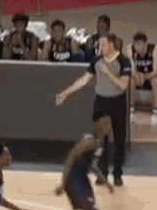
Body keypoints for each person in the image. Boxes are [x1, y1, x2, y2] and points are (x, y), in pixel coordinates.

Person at [55, 35, 132, 186]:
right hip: (101, 102)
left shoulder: (123, 61)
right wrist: (66, 92)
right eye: (99, 45)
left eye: (104, 44)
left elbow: (123, 85)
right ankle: (103, 173)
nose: (100, 47)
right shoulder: (97, 60)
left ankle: (117, 174)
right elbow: (84, 80)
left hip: (117, 102)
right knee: (101, 140)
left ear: (111, 44)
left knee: (119, 139)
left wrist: (108, 72)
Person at [55, 115, 113, 210]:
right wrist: (63, 183)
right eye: (106, 124)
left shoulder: (98, 142)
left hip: (83, 180)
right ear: (98, 124)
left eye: (110, 124)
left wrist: (105, 181)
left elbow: (92, 164)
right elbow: (71, 157)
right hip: (74, 180)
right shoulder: (89, 141)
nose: (109, 127)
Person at [128, 32, 157, 126]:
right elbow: (131, 67)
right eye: (135, 44)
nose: (137, 47)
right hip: (139, 76)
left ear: (146, 44)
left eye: (139, 44)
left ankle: (155, 111)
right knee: (130, 80)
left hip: (152, 75)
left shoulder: (154, 49)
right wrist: (136, 75)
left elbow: (156, 71)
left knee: (156, 80)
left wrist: (144, 77)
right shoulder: (130, 48)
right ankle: (131, 109)